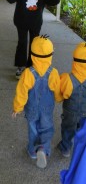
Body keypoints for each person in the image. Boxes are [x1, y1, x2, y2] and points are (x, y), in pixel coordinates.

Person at [12, 35, 62, 169]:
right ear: (50, 55)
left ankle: (32, 151)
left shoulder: (28, 73)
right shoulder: (53, 72)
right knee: (46, 128)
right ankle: (43, 149)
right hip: (47, 108)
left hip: (31, 108)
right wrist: (58, 98)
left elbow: (21, 92)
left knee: (33, 129)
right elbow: (57, 90)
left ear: (32, 55)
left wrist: (17, 107)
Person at [6, 0, 60, 79]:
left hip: (35, 22)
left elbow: (53, 1)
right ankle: (21, 66)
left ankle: (31, 65)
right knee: (22, 42)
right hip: (21, 21)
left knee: (34, 44)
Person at [57, 42, 86, 158]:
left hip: (70, 111)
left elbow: (63, 94)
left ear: (74, 60)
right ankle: (82, 150)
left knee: (67, 129)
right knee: (84, 130)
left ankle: (65, 149)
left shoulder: (66, 78)